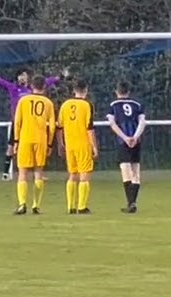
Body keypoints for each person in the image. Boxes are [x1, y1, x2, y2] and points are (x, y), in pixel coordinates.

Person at [0, 61, 68, 180]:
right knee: (11, 147)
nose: (22, 77)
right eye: (20, 75)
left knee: (36, 147)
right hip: (18, 123)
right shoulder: (13, 88)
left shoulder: (33, 88)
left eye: (24, 75)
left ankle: (38, 173)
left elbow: (48, 81)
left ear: (28, 77)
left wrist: (61, 76)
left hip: (33, 124)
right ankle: (6, 173)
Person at [11, 75, 56, 215]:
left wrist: (16, 141)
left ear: (31, 86)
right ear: (44, 87)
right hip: (41, 139)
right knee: (38, 172)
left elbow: (17, 122)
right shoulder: (48, 103)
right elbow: (53, 126)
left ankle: (22, 204)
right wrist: (49, 144)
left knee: (23, 172)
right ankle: (36, 205)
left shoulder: (23, 101)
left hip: (25, 138)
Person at [57, 80, 99, 214]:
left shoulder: (65, 105)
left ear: (74, 91)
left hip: (70, 144)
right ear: (86, 90)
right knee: (84, 176)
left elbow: (59, 127)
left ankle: (70, 206)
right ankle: (82, 206)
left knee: (72, 175)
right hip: (83, 144)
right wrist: (95, 147)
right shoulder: (87, 105)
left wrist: (60, 144)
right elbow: (89, 129)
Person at [108, 82, 147, 213]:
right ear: (128, 92)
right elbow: (142, 122)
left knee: (126, 171)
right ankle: (133, 202)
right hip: (136, 141)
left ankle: (130, 203)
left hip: (122, 141)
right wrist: (135, 137)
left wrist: (125, 138)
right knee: (136, 171)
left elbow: (113, 124)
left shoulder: (113, 105)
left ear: (116, 91)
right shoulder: (137, 105)